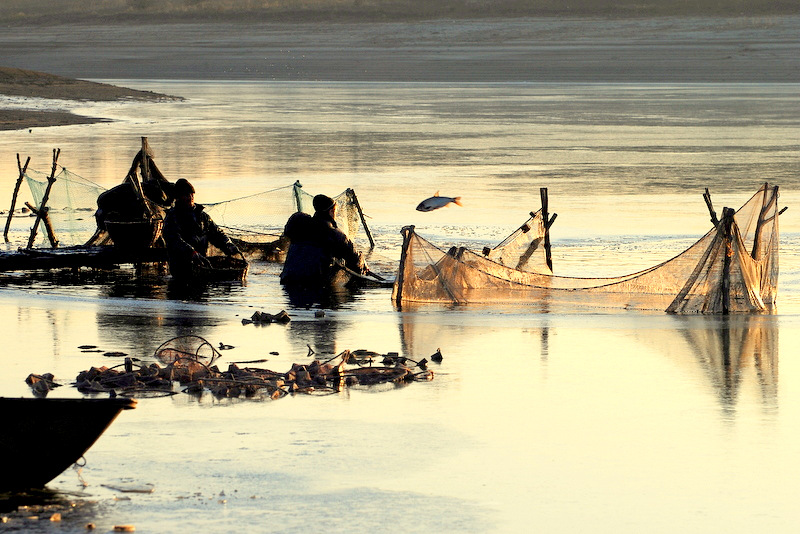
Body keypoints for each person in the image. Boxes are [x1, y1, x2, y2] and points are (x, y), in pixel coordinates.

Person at [280, 194, 366, 288]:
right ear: (331, 211)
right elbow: (355, 259)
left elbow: (287, 233)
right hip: (314, 285)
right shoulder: (336, 235)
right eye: (335, 211)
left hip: (288, 280)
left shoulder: (298, 223)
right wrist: (362, 264)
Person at [162, 178, 240, 280]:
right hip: (181, 268)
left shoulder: (203, 216)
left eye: (192, 194)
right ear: (178, 198)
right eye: (186, 195)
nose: (190, 198)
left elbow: (217, 234)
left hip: (202, 265)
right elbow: (173, 239)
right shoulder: (172, 217)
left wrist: (228, 244)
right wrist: (191, 253)